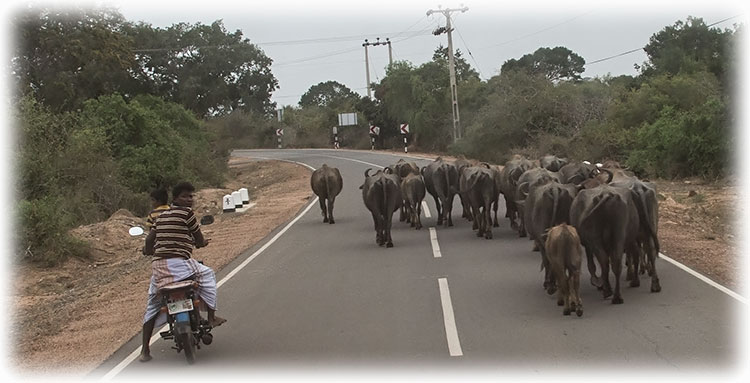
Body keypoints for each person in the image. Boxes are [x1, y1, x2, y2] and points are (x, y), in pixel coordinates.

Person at [139, 181, 226, 362]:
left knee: (153, 304)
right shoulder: (187, 214)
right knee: (208, 274)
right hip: (181, 264)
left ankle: (145, 351)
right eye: (185, 196)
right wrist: (202, 243)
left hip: (160, 267)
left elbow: (149, 241)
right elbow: (198, 237)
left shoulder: (161, 216)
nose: (189, 199)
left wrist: (148, 251)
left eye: (191, 196)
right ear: (176, 198)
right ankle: (211, 316)